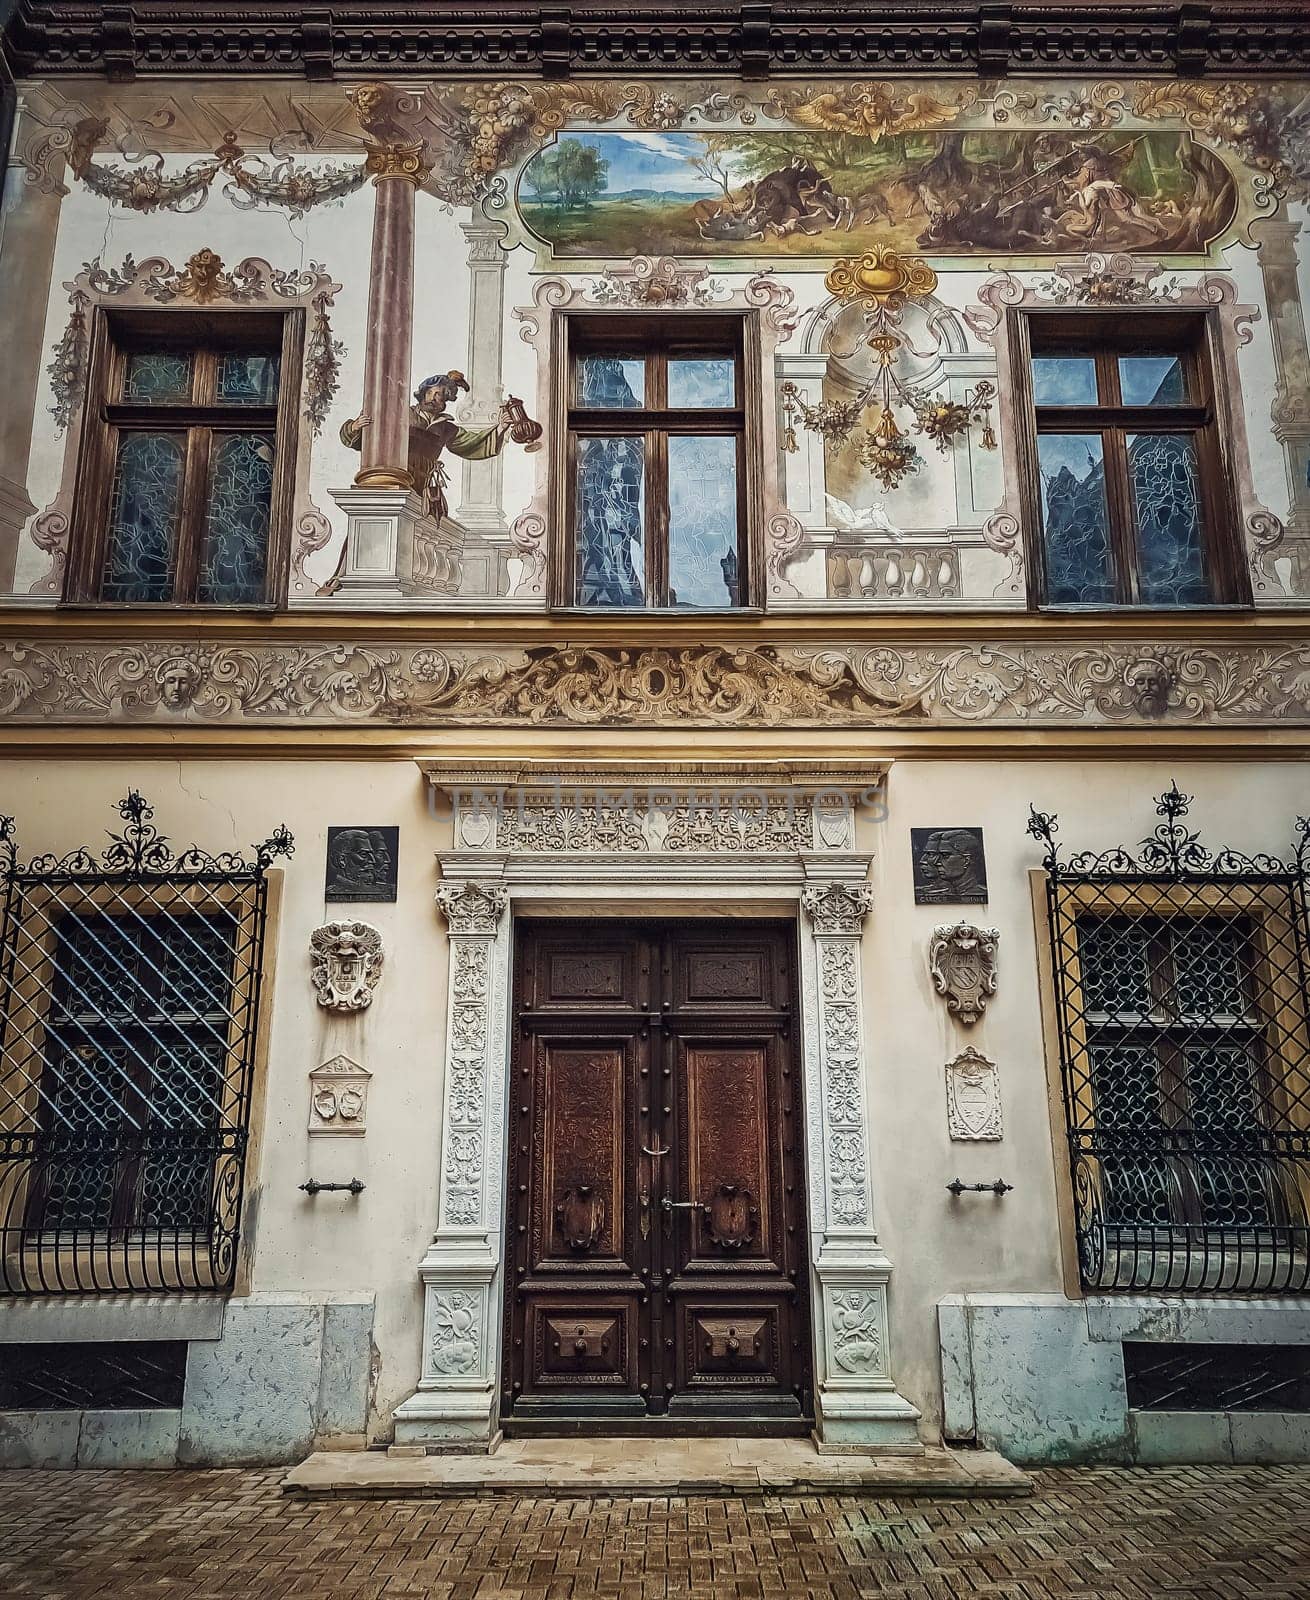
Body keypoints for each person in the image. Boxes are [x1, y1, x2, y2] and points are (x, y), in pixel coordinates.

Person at [340, 371, 512, 524]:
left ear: (445, 400)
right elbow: (372, 437)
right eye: (429, 392)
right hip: (395, 478)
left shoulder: (445, 427)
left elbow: (471, 443)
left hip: (421, 488)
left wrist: (500, 428)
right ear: (422, 394)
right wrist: (354, 427)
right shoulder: (401, 414)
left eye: (437, 395)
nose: (431, 398)